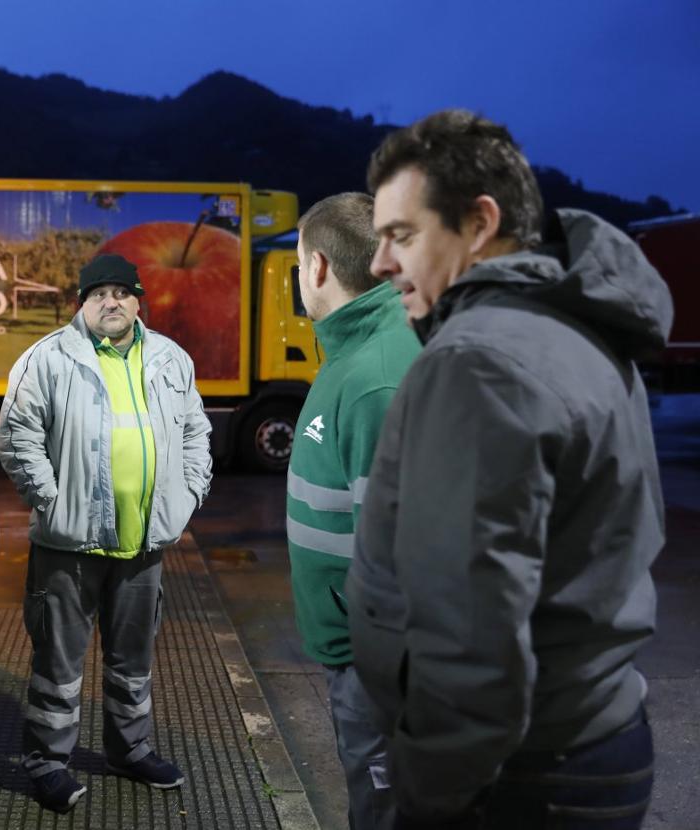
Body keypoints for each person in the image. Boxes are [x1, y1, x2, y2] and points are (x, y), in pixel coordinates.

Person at [347, 109, 673, 828]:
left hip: (517, 777)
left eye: (401, 235)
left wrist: (430, 795)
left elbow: (471, 634)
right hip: (594, 739)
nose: (379, 264)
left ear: (478, 223)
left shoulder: (479, 362)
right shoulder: (575, 332)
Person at [0, 253, 213, 813]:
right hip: (69, 547)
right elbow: (18, 438)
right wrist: (53, 500)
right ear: (81, 303)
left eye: (121, 291)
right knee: (59, 666)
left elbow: (195, 431)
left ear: (138, 300)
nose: (110, 301)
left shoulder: (170, 359)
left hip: (144, 544)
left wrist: (188, 494)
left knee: (133, 659)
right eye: (98, 293)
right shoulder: (44, 360)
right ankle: (47, 762)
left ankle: (130, 750)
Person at [286, 192, 419, 830]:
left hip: (378, 667)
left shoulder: (377, 378)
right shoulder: (358, 354)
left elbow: (402, 553)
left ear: (316, 268)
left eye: (295, 265)